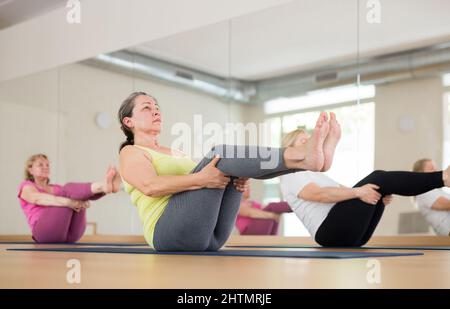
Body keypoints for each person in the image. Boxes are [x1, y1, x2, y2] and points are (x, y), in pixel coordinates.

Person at [118, 91, 339, 251]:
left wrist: (235, 180)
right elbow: (150, 186)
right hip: (167, 233)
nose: (156, 111)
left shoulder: (177, 151)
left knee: (229, 168)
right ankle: (302, 156)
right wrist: (201, 179)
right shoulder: (131, 152)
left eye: (157, 107)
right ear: (129, 121)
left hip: (210, 237)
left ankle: (304, 161)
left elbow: (205, 184)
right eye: (147, 108)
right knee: (220, 154)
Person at [280, 120, 450, 247]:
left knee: (378, 186)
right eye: (304, 141)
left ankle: (441, 178)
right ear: (290, 148)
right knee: (378, 178)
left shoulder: (314, 172)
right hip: (329, 233)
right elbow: (320, 195)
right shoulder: (290, 173)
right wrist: (360, 192)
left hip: (353, 235)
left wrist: (377, 195)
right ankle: (443, 178)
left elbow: (348, 192)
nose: (310, 143)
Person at [18, 154, 121, 243]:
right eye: (40, 164)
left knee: (73, 193)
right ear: (30, 170)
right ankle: (101, 186)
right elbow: (37, 198)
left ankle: (104, 188)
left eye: (47, 165)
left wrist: (82, 202)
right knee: (66, 191)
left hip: (72, 234)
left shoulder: (56, 188)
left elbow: (82, 200)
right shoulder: (26, 186)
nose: (45, 167)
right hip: (44, 233)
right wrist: (69, 202)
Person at [412, 159, 450, 236]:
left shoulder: (436, 190)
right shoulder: (423, 192)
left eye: (435, 168)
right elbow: (448, 205)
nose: (436, 170)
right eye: (431, 168)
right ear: (420, 173)